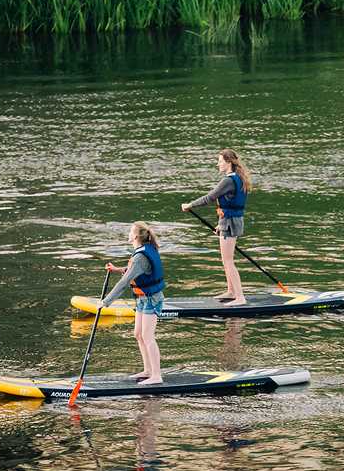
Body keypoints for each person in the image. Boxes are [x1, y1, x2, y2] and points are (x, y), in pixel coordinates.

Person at [181, 149, 252, 306]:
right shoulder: (238, 178)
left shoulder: (228, 181)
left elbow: (210, 197)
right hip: (230, 221)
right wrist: (221, 225)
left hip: (230, 223)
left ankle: (240, 297)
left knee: (228, 261)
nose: (217, 164)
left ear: (228, 162)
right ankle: (231, 291)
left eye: (220, 161)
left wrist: (190, 205)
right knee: (226, 259)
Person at [98, 221, 165, 385]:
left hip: (151, 299)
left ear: (135, 236)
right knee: (138, 334)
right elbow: (135, 271)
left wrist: (105, 302)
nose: (128, 233)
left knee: (148, 337)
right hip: (143, 298)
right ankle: (148, 370)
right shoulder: (142, 252)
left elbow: (123, 283)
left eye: (130, 231)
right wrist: (117, 269)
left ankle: (156, 375)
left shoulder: (141, 256)